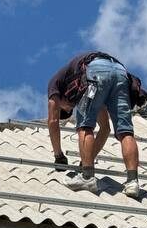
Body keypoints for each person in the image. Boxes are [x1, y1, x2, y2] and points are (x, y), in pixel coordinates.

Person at [47, 51, 140, 199]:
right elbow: (105, 128)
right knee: (125, 131)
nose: (72, 106)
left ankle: (87, 178)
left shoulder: (55, 83)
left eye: (67, 108)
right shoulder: (81, 86)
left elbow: (52, 122)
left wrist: (58, 156)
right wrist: (86, 160)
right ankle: (132, 182)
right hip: (120, 72)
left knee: (85, 125)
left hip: (96, 71)